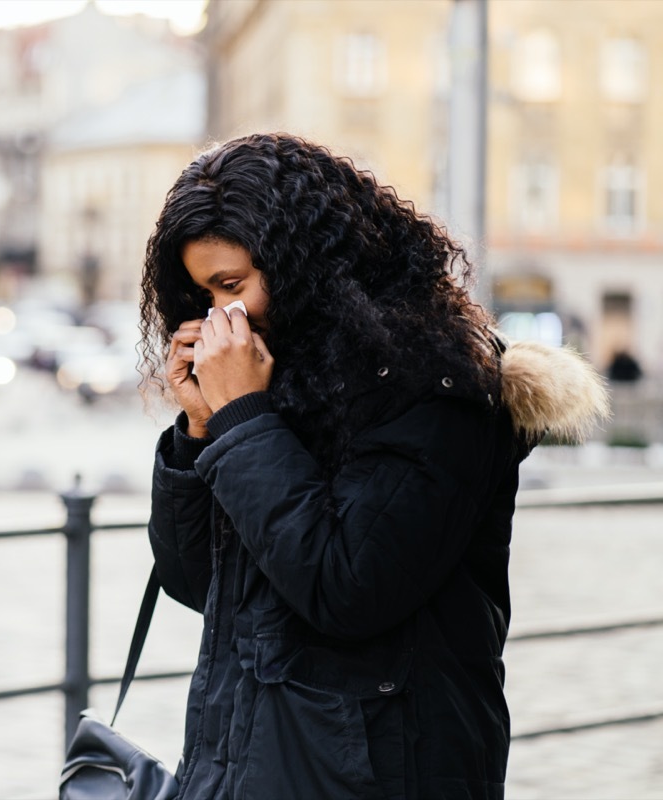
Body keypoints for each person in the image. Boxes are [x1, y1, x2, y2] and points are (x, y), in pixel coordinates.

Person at [139, 133, 609, 799]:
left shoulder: (436, 386)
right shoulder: (285, 383)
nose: (221, 316)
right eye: (204, 295)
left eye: (232, 286)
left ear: (304, 263)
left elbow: (347, 590)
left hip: (377, 774)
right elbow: (198, 585)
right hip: (250, 766)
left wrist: (243, 419)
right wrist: (200, 428)